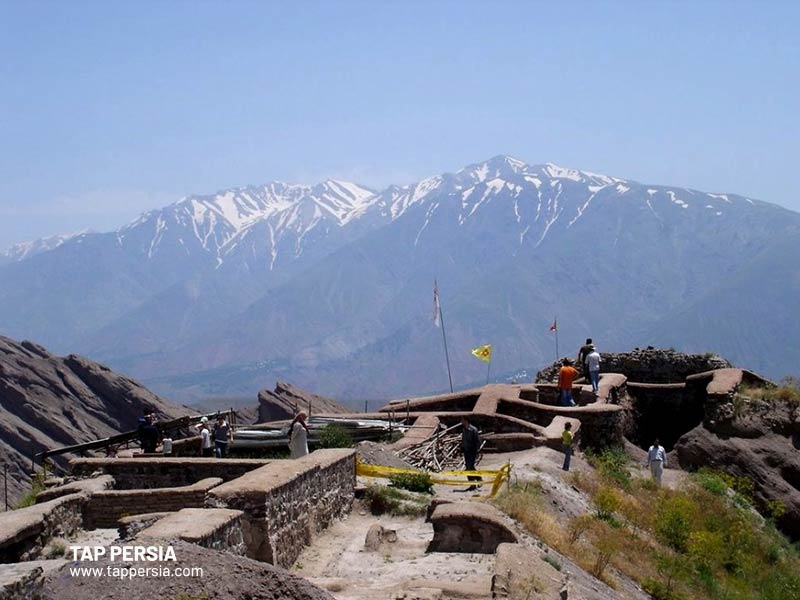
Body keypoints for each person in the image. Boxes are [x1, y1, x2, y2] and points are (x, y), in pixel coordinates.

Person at [461, 416, 481, 491]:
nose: (461, 421)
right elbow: (463, 440)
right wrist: (462, 448)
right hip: (466, 451)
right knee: (469, 467)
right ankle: (476, 480)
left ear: (466, 420)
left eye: (462, 420)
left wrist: (477, 451)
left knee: (469, 468)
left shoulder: (473, 430)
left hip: (472, 451)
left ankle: (474, 483)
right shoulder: (464, 430)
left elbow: (477, 441)